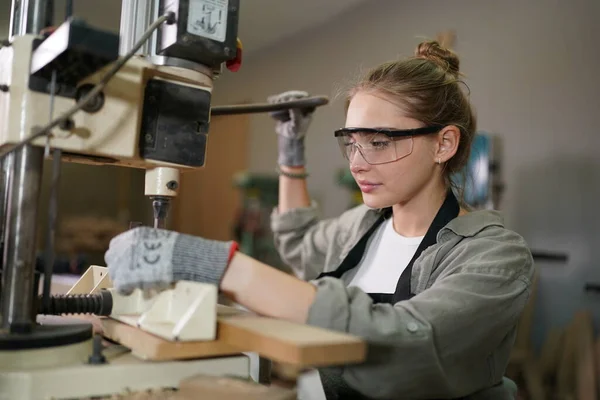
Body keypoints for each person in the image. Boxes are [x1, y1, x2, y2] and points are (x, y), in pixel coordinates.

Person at [104, 41, 534, 399]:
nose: (357, 164)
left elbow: (407, 345)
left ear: (443, 144)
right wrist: (291, 153)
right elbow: (300, 243)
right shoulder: (363, 225)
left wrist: (217, 265)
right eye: (352, 143)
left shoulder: (494, 255)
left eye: (380, 143)